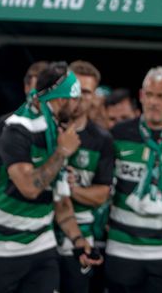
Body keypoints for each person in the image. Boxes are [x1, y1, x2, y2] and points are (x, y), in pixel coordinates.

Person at [0, 62, 101, 293]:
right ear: (63, 98)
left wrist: (78, 240)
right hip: (2, 246)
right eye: (75, 99)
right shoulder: (16, 128)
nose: (78, 106)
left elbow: (60, 199)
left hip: (41, 246)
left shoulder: (57, 131)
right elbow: (29, 187)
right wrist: (62, 152)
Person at [105, 67, 162, 293]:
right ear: (141, 96)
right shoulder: (118, 134)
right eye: (149, 95)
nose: (154, 102)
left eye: (161, 96)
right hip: (121, 249)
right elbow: (103, 189)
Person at [57, 61, 114, 293]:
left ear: (94, 97)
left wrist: (71, 189)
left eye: (86, 91)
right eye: (74, 89)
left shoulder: (102, 140)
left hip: (80, 236)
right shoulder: (45, 127)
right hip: (39, 232)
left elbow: (102, 194)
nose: (79, 96)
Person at [0, 60, 48, 202]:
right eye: (36, 89)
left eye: (45, 90)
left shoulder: (58, 127)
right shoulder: (7, 123)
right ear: (26, 87)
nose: (39, 97)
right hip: (5, 208)